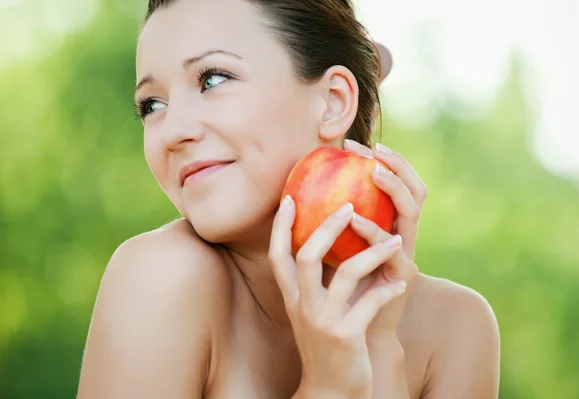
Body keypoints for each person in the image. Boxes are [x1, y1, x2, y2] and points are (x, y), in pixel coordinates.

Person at [77, 0, 500, 398]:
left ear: (334, 102)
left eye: (213, 79)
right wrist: (328, 388)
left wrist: (378, 352)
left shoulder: (458, 328)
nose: (172, 132)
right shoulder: (160, 277)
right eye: (151, 105)